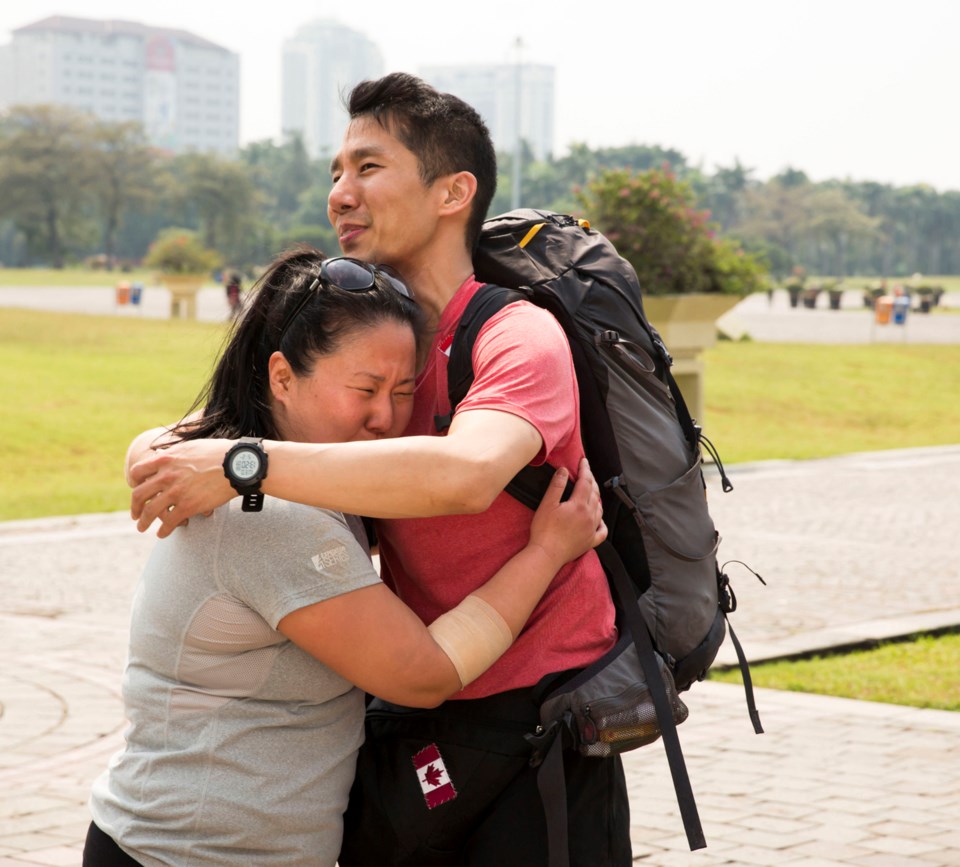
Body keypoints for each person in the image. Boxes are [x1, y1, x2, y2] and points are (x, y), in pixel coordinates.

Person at [128, 73, 631, 865]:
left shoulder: (516, 339)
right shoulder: (385, 345)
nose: (340, 193)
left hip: (533, 722)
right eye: (336, 172)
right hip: (409, 715)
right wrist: (166, 452)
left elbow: (465, 473)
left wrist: (242, 465)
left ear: (451, 192)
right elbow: (187, 439)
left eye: (368, 167)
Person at [89, 246, 606, 867]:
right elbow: (423, 674)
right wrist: (546, 552)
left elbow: (167, 450)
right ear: (282, 377)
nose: (385, 417)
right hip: (192, 853)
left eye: (403, 391)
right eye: (364, 388)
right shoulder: (274, 518)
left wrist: (231, 461)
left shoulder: (277, 473)